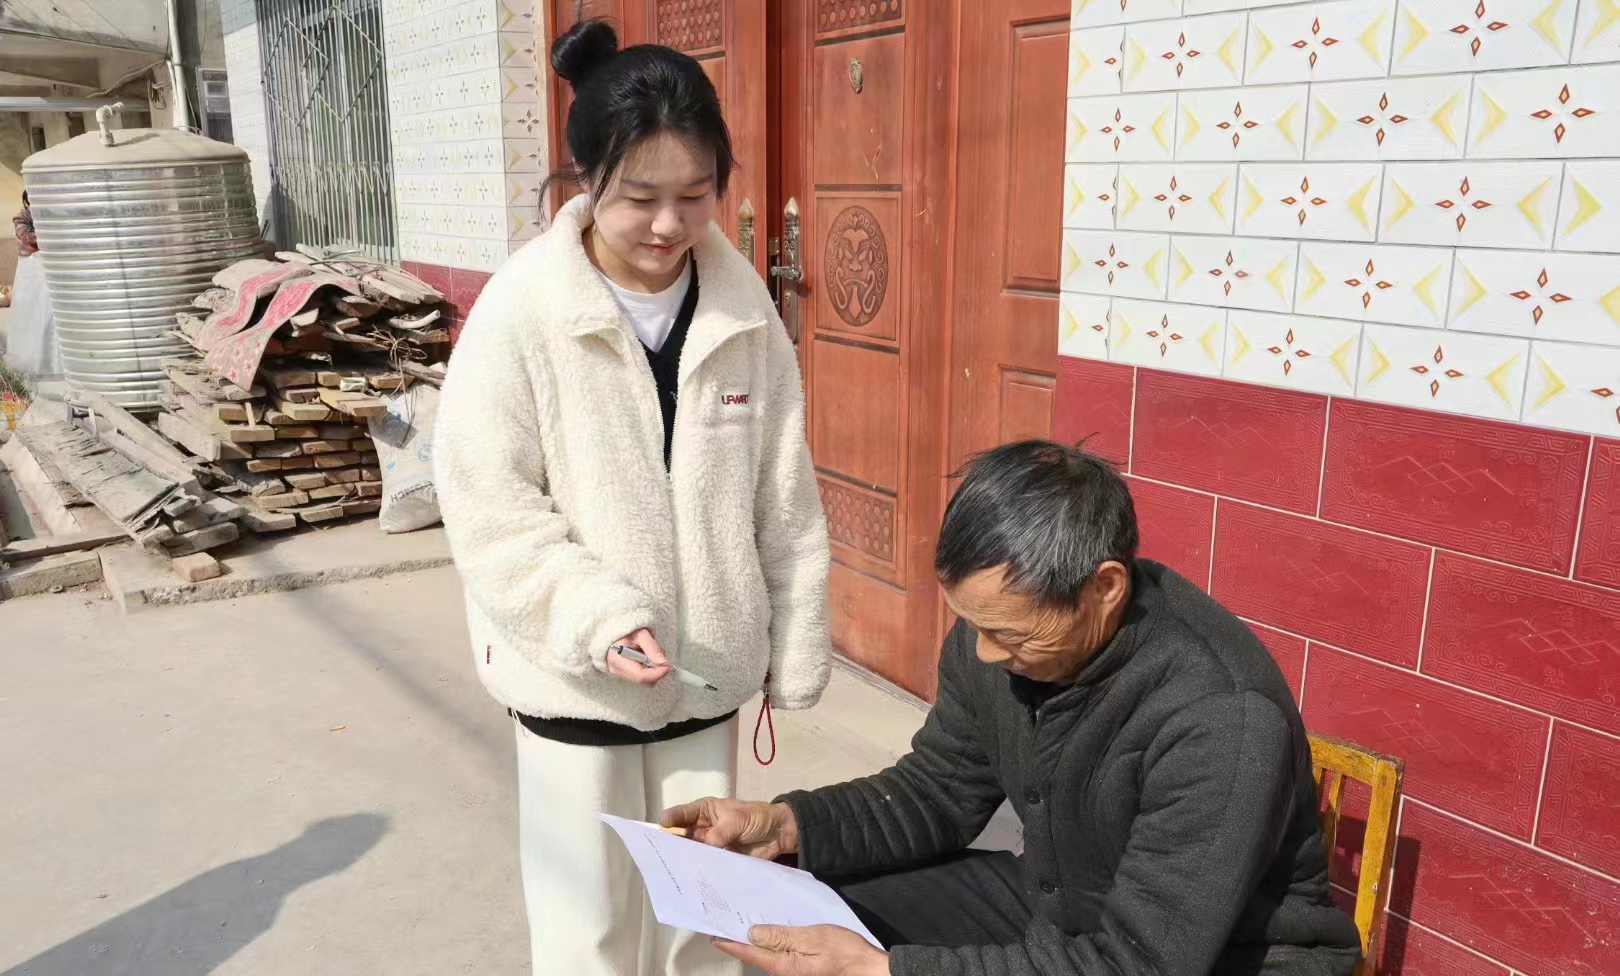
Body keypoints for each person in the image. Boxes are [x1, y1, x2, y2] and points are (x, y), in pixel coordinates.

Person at [433, 18, 831, 976]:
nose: (668, 226)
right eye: (639, 197)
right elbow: (487, 501)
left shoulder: (743, 312)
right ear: (584, 184)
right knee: (592, 929)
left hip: (703, 675)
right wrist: (595, 614)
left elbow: (784, 488)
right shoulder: (524, 308)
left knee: (705, 914)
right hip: (571, 676)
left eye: (694, 197)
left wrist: (794, 629)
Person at [665, 441, 1365, 976]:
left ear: (1105, 588)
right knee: (797, 927)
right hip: (1060, 905)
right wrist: (785, 826)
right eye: (972, 624)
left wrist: (886, 970)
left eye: (1010, 633)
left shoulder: (1218, 721)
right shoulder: (996, 639)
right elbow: (938, 792)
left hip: (1219, 960)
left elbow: (1140, 964)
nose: (985, 654)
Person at [6, 190, 60, 380]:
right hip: (30, 267)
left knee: (47, 311)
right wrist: (49, 236)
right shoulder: (22, 216)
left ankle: (49, 360)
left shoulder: (47, 212)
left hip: (46, 263)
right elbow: (25, 236)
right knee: (30, 309)